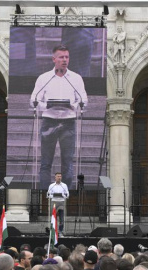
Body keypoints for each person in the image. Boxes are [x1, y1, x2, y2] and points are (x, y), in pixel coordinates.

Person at [30, 44, 88, 189]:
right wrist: (47, 105)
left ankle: (66, 193)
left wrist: (72, 106)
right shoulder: (44, 78)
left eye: (67, 57)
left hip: (68, 122)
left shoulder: (76, 78)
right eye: (61, 57)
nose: (64, 60)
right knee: (46, 162)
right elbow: (33, 100)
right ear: (53, 59)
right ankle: (44, 193)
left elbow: (84, 101)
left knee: (67, 162)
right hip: (49, 121)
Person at [47, 172, 69, 237]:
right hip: (54, 202)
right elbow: (48, 194)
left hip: (61, 202)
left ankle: (60, 232)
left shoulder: (64, 185)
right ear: (55, 177)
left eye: (60, 176)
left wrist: (62, 195)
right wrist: (53, 195)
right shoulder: (51, 185)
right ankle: (53, 232)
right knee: (54, 218)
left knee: (61, 219)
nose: (59, 177)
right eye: (58, 176)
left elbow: (67, 194)